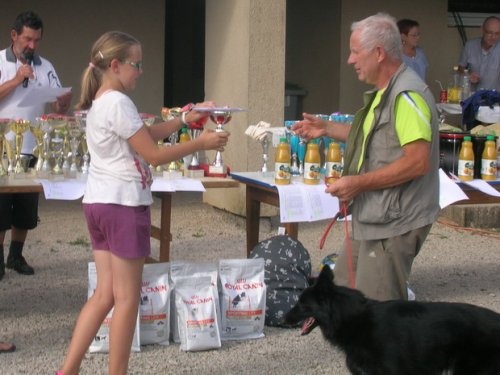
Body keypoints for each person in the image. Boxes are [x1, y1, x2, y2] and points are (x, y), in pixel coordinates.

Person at [57, 31, 228, 375]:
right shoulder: (119, 102)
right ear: (116, 65)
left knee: (104, 295)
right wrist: (202, 143)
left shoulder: (102, 100)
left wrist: (183, 120)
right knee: (127, 301)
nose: (141, 71)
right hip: (123, 206)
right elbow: (152, 155)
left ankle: (67, 371)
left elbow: (145, 135)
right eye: (137, 64)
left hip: (99, 204)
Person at [292, 13, 440, 301]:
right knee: (346, 296)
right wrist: (327, 129)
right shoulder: (387, 91)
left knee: (379, 313)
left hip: (396, 220)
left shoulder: (407, 96)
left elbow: (418, 161)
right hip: (375, 215)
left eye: (355, 52)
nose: (350, 60)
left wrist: (358, 183)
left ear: (379, 53)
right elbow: (379, 140)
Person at [0, 11, 72, 280]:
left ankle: (15, 255)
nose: (32, 46)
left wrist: (63, 101)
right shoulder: (0, 61)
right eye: (28, 39)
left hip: (33, 146)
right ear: (14, 35)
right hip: (2, 149)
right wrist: (16, 80)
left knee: (26, 207)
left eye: (37, 40)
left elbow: (57, 103)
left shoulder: (46, 66)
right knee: (0, 206)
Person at [458, 16, 500, 91]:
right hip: (472, 96)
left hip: (494, 98)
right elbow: (460, 68)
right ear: (482, 30)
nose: (493, 37)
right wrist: (468, 75)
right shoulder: (470, 45)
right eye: (490, 33)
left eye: (497, 34)